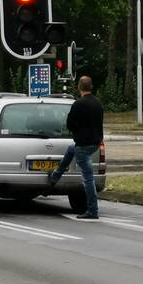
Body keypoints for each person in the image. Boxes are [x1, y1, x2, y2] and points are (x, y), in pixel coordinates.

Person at [48, 75, 103, 219]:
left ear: (79, 88)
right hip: (95, 143)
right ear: (91, 87)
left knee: (88, 178)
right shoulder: (98, 103)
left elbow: (70, 124)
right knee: (71, 149)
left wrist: (77, 129)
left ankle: (92, 210)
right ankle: (56, 176)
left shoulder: (78, 104)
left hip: (83, 143)